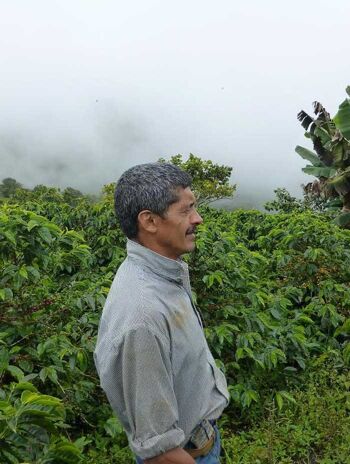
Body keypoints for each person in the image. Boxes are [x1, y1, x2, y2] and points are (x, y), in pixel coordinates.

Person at [94, 163, 229, 464]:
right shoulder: (143, 316)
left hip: (201, 441)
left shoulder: (162, 274)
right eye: (186, 210)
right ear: (150, 221)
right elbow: (161, 453)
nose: (198, 219)